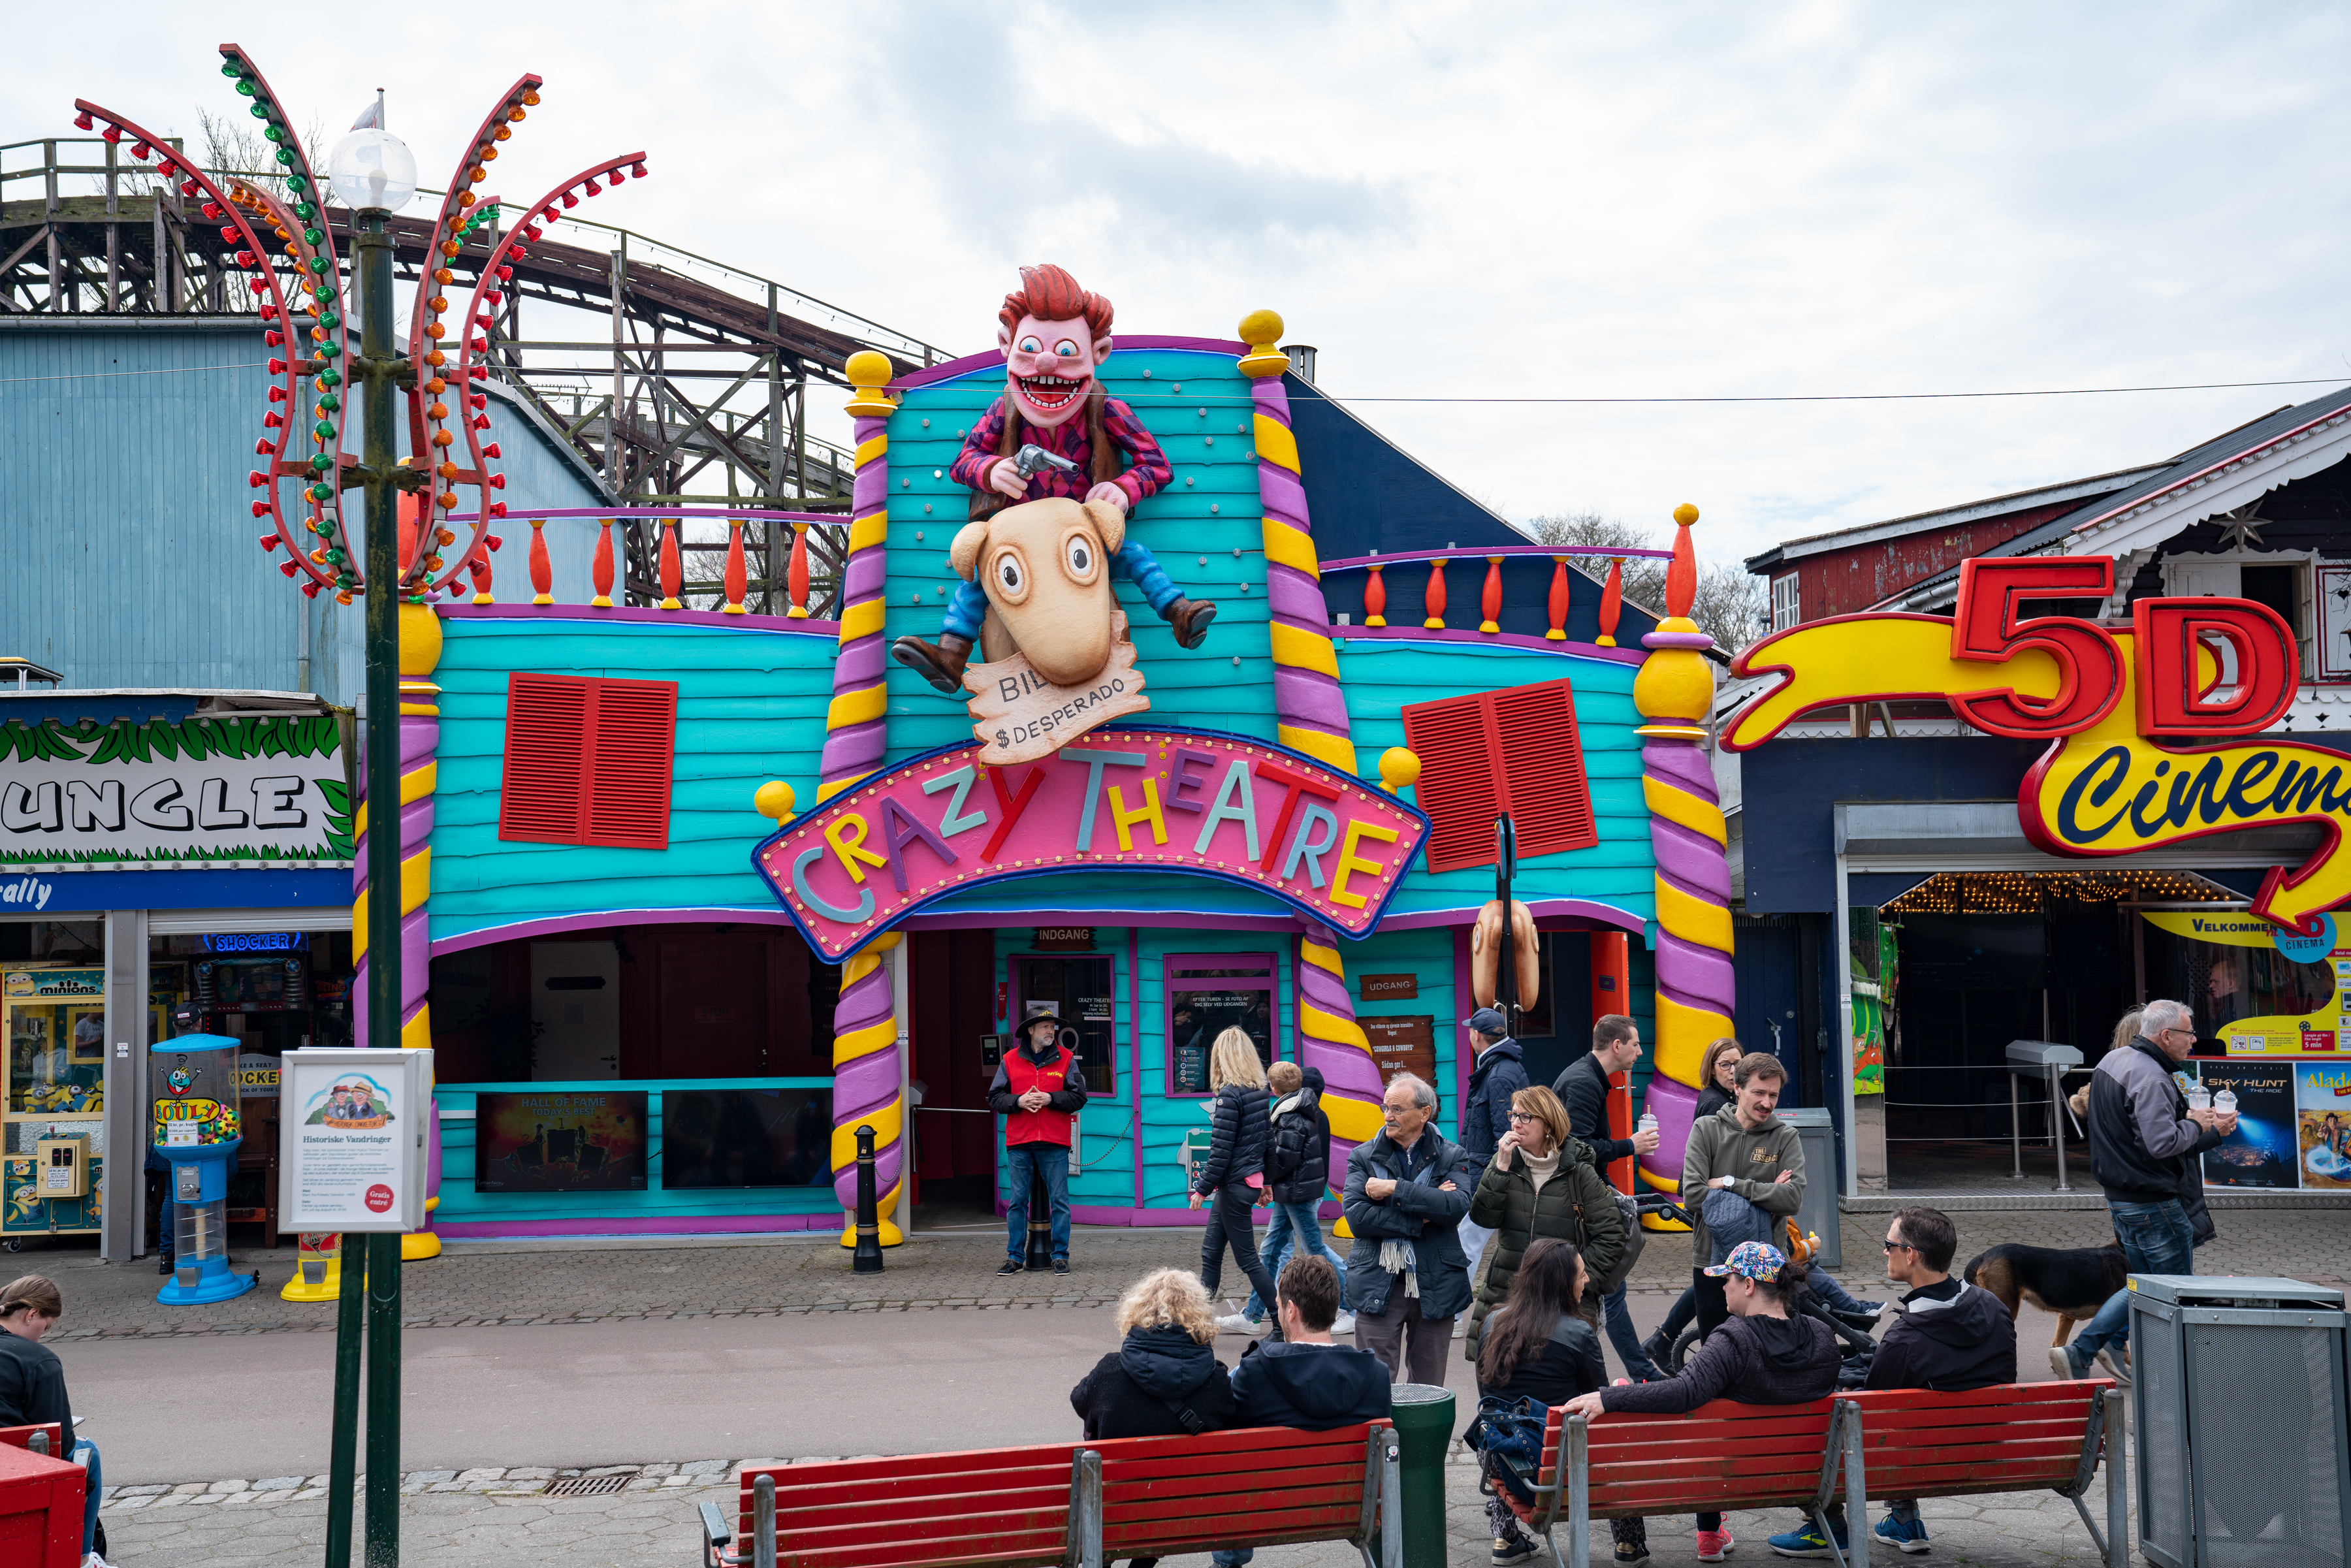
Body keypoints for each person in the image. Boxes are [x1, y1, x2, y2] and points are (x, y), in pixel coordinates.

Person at [1564, 1243, 1839, 1567]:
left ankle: (1710, 1531)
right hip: (1808, 1475)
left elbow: (1683, 1392)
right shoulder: (1823, 1337)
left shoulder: (1734, 1340)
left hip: (1730, 1478)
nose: (1723, 1286)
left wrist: (1611, 1397)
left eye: (1729, 1280)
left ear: (1749, 1286)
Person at [1767, 1207, 2015, 1558]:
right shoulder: (1993, 1307)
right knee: (1907, 1416)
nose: (1885, 1251)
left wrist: (1845, 1387)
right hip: (1988, 1444)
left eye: (1889, 1244)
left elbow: (1868, 1411)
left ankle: (1830, 1529)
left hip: (1916, 1454)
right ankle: (1904, 1520)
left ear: (1910, 1254)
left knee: (1834, 1412)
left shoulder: (1906, 1340)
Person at [2060, 999, 2234, 1383]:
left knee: (2143, 1285)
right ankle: (2173, 1377)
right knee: (2174, 1292)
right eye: (2189, 1033)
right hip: (2154, 1206)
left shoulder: (2112, 1062)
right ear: (2166, 1035)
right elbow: (2160, 1144)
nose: (2193, 1040)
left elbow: (2133, 1135)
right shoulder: (2151, 1076)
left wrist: (2197, 1129)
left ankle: (2094, 1347)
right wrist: (2203, 1127)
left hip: (2123, 1199)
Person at [1213, 1255, 1394, 1568]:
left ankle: (1229, 1562)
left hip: (1263, 1512)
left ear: (1291, 1310)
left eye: (1279, 1304)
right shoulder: (1377, 1376)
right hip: (1346, 1512)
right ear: (1335, 1311)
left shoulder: (1255, 1372)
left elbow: (1226, 1434)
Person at [1475, 1239, 1607, 1567]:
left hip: (1501, 1459)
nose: (1587, 1279)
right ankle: (1630, 1545)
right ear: (1561, 1283)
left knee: (1504, 1429)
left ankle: (1505, 1538)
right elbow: (1599, 1401)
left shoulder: (1492, 1323)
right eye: (1581, 1273)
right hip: (1563, 1465)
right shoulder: (1579, 1335)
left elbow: (1485, 1395)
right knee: (1611, 1440)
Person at [1464, 1086, 1624, 1355]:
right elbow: (1483, 1217)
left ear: (1549, 1125)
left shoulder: (1580, 1173)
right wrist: (1500, 1166)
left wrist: (1576, 1279)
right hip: (1507, 1294)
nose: (1516, 1123)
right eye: (1513, 1115)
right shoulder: (1505, 1163)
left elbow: (1611, 1237)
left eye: (1526, 1117)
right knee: (1500, 1377)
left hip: (1562, 1303)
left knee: (1555, 1378)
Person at [1343, 1072, 1476, 1384]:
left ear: (1425, 1113)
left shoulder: (1452, 1154)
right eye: (1385, 1107)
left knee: (1429, 1387)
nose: (1388, 1116)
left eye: (1398, 1109)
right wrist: (1422, 1215)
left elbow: (1455, 1207)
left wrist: (1393, 1189)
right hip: (1378, 1277)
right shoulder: (1362, 1157)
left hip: (1436, 1280)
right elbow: (1357, 1218)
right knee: (1374, 1384)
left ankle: (1423, 1436)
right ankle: (1381, 1435)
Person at [1553, 1016, 1664, 1381]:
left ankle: (1639, 1370)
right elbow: (1580, 1149)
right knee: (1608, 1287)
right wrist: (1631, 1145)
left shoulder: (1587, 1076)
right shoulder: (1585, 1082)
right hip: (1581, 1201)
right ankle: (1636, 1373)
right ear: (1617, 1046)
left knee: (1609, 1289)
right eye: (1635, 1044)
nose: (1639, 1052)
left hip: (1581, 1197)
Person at [1682, 1051, 1804, 1345]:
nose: (1767, 1103)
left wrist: (1730, 1184)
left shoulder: (1785, 1137)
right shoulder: (1706, 1130)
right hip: (1712, 1263)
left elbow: (1792, 1200)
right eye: (1759, 1092)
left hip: (1769, 1265)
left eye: (1773, 1095)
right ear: (1737, 1087)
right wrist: (1766, 1192)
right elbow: (1693, 1195)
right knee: (1718, 1354)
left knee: (1774, 1353)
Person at [1640, 1038, 1748, 1365]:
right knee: (1712, 1277)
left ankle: (1662, 1339)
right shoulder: (1715, 1104)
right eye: (1725, 1065)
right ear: (1711, 1069)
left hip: (1720, 1201)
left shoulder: (1727, 1097)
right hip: (1719, 1205)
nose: (1733, 1071)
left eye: (1738, 1065)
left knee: (1710, 1277)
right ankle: (1672, 1341)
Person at [1230, 1063, 1354, 1337]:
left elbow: (1285, 1157)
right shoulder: (1297, 1109)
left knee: (1315, 1251)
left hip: (1296, 1194)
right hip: (1292, 1192)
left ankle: (1351, 1307)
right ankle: (1252, 1314)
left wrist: (1266, 1180)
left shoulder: (1292, 1114)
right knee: (1271, 1250)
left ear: (1274, 1088)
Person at [0, 1275, 108, 1568]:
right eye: (45, 1327)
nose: (42, 1335)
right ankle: (82, 1558)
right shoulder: (38, 1359)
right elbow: (59, 1444)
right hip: (10, 1471)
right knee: (88, 1452)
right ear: (31, 1314)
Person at [1070, 1267, 1239, 1440]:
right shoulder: (1217, 1382)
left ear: (1139, 1309)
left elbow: (1079, 1401)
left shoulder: (1108, 1373)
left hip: (1121, 1467)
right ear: (1200, 1317)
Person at [989, 1003, 1089, 1275]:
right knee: (1018, 1202)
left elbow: (1080, 1097)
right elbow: (995, 1098)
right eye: (1045, 1027)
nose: (1051, 1031)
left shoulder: (1066, 1058)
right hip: (1019, 1142)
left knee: (1060, 1202)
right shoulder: (1009, 1060)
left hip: (1054, 1142)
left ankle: (1060, 1256)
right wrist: (1019, 1101)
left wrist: (1051, 1098)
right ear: (1030, 1030)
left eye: (1052, 1027)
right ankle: (1014, 1257)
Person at [1192, 1028, 1281, 1334]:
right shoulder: (1259, 1093)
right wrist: (1267, 1183)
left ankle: (1282, 1325)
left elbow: (1220, 1151)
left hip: (1233, 1187)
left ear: (1222, 1057)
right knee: (1211, 1253)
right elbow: (1270, 1144)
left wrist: (1201, 1189)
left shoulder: (1229, 1095)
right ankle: (1198, 1324)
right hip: (1244, 1185)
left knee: (1248, 1261)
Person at [1457, 1006, 1528, 1275]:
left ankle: (1451, 1313)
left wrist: (1496, 1176)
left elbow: (1507, 1134)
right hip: (1487, 1170)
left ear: (1476, 1035)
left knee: (1467, 1241)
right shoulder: (1499, 1067)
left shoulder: (1499, 1074)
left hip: (1489, 1174)